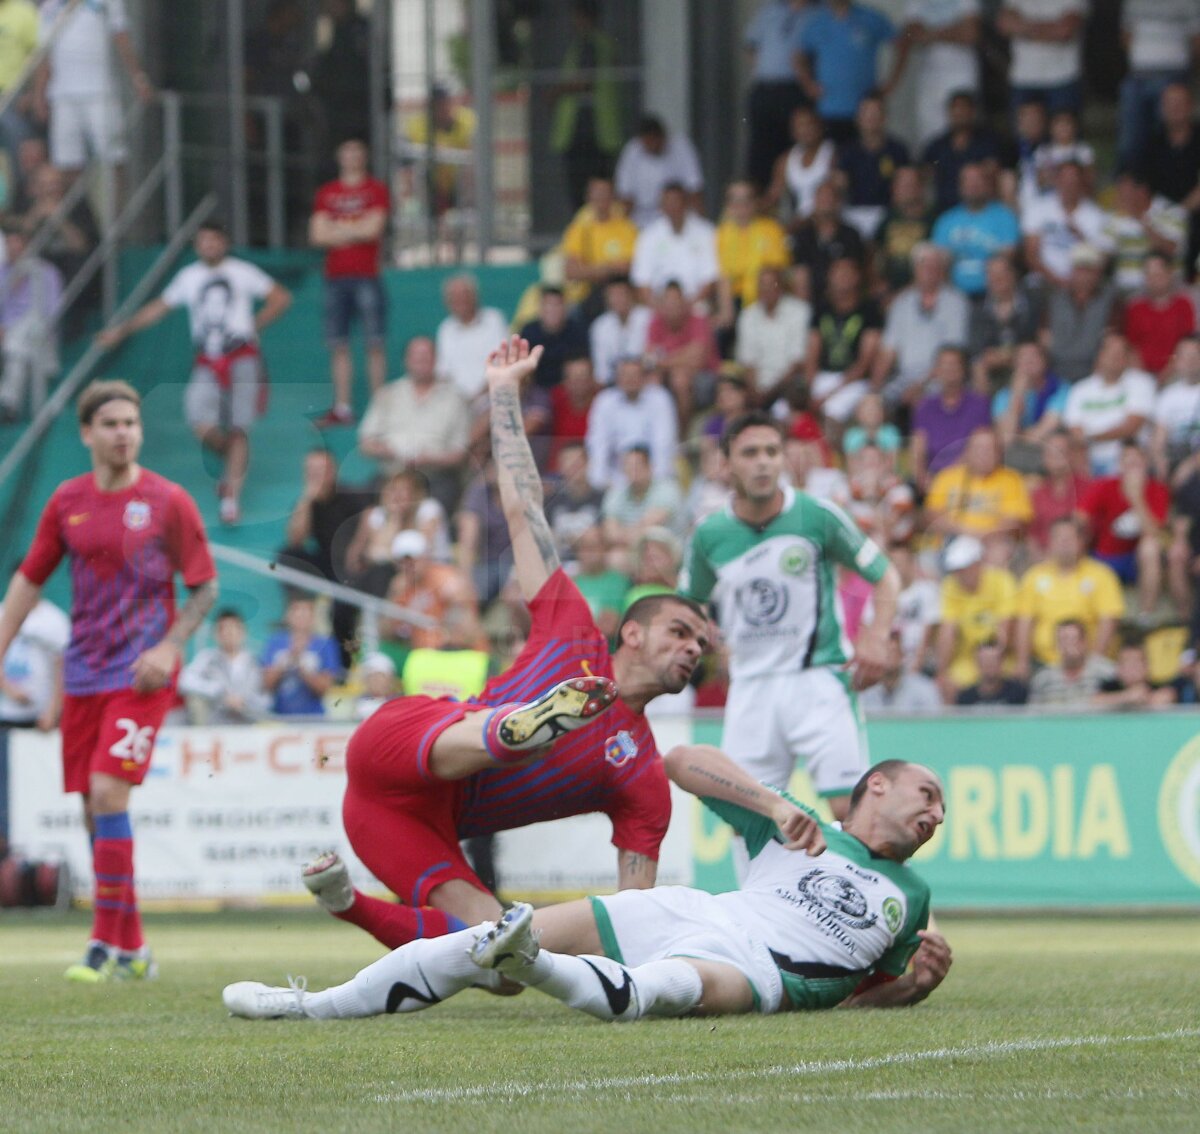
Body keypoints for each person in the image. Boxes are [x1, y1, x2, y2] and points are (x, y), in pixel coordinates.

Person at [296, 335, 711, 952]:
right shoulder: (572, 622)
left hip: (400, 823)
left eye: (701, 643)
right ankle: (515, 728)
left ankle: (345, 902)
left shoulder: (643, 778)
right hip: (405, 742)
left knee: (498, 953)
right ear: (631, 632)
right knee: (478, 732)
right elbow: (523, 509)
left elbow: (633, 915)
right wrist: (503, 394)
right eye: (680, 631)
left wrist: (654, 967)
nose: (693, 648)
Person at [224, 749, 951, 1020]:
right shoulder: (797, 829)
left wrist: (912, 988)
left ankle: (532, 961)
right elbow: (682, 762)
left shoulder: (912, 896)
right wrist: (772, 804)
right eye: (926, 793)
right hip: (692, 908)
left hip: (760, 970)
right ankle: (309, 1004)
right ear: (876, 786)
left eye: (942, 807)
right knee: (479, 942)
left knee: (660, 991)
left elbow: (862, 998)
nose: (935, 812)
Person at [0, 379, 217, 980]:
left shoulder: (168, 500)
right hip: (85, 672)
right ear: (87, 433)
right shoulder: (66, 500)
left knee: (107, 794)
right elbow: (28, 580)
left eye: (131, 423)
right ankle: (135, 946)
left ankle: (101, 945)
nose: (124, 433)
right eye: (112, 424)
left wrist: (171, 647)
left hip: (141, 675)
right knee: (93, 812)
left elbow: (206, 586)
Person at [680, 412, 899, 820]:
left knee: (850, 811)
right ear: (726, 464)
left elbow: (886, 577)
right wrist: (709, 640)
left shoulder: (817, 515)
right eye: (749, 453)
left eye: (771, 451)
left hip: (818, 681)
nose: (763, 462)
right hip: (749, 688)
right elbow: (688, 605)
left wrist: (876, 635)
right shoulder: (709, 534)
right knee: (746, 820)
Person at [96, 221, 293, 525]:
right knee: (200, 422)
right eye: (203, 241)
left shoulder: (242, 271)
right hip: (207, 361)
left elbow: (281, 297)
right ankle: (232, 463)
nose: (209, 246)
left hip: (242, 357)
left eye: (214, 240)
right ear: (197, 245)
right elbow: (159, 308)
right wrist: (122, 331)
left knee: (240, 428)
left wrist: (256, 324)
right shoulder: (189, 277)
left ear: (224, 242)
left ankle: (231, 499)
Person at [308, 138, 390, 427]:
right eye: (347, 150)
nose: (352, 156)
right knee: (338, 344)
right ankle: (343, 408)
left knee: (374, 342)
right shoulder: (326, 192)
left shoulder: (376, 189)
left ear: (365, 155)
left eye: (358, 150)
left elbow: (374, 229)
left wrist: (337, 227)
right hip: (335, 277)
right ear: (339, 155)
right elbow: (317, 235)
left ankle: (380, 408)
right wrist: (356, 226)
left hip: (367, 274)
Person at [33, 0, 154, 179]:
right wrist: (39, 94)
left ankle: (117, 207)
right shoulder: (49, 5)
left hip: (100, 92)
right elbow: (45, 52)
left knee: (114, 157)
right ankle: (81, 208)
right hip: (62, 94)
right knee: (67, 162)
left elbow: (120, 35)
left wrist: (138, 77)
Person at [356, 336, 469, 515]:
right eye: (416, 356)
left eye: (426, 355)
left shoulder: (454, 398)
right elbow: (365, 443)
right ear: (406, 360)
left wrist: (429, 458)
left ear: (436, 359)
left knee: (441, 506)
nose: (421, 360)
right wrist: (390, 451)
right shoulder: (388, 394)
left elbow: (460, 453)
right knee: (361, 504)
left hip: (434, 477)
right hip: (391, 475)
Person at [1015, 518, 1124, 680]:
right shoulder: (1034, 576)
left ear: (1081, 541)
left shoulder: (1101, 575)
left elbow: (1108, 620)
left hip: (1088, 662)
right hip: (1043, 663)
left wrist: (1094, 662)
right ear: (1050, 542)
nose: (1064, 543)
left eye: (1069, 538)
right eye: (1058, 538)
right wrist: (1022, 661)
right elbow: (1024, 621)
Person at [1076, 441, 1170, 620]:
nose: (1132, 469)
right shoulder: (1104, 486)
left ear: (1146, 464)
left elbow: (1156, 533)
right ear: (1120, 465)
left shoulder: (1158, 490)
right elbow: (1079, 519)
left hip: (1136, 561)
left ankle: (1145, 614)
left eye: (1137, 463)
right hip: (1105, 555)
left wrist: (1136, 498)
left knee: (1150, 546)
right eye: (1128, 463)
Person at [872, 244, 969, 410]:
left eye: (935, 266)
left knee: (924, 400)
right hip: (904, 377)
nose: (930, 270)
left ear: (942, 271)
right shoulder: (901, 303)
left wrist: (920, 386)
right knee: (876, 405)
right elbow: (887, 352)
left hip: (941, 377)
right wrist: (873, 390)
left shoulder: (956, 302)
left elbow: (952, 355)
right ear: (915, 269)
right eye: (925, 265)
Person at [548, 1, 623, 209]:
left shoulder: (592, 43)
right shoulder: (596, 43)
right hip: (594, 131)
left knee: (587, 190)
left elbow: (585, 81)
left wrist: (556, 91)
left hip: (589, 131)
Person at [794, 0, 895, 144]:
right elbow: (798, 57)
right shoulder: (817, 22)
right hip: (828, 108)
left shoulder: (870, 18)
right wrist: (808, 84)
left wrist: (892, 81)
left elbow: (901, 42)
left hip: (863, 111)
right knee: (832, 159)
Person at [1116, 1, 1200, 174]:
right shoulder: (1134, 2)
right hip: (1138, 74)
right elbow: (1126, 35)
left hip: (1173, 74)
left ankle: (1165, 178)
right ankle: (1130, 180)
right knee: (1131, 138)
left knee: (1165, 136)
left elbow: (1196, 40)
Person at [887, 0, 981, 150]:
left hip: (961, 74)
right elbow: (910, 33)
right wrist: (951, 30)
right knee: (929, 140)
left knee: (963, 133)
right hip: (929, 78)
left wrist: (929, 34)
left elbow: (970, 33)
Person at [934, 534, 1018, 700]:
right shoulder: (951, 585)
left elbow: (1005, 628)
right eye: (956, 570)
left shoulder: (1002, 581)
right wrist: (942, 672)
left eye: (963, 568)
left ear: (977, 564)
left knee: (1007, 679)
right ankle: (954, 726)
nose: (959, 574)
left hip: (999, 657)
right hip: (968, 660)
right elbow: (947, 631)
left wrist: (990, 664)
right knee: (948, 684)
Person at [742, 0, 813, 193]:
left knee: (796, 151)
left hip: (796, 89)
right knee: (761, 153)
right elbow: (751, 45)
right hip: (766, 88)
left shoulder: (818, 11)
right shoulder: (770, 9)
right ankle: (759, 209)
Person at [1063, 331, 1156, 477]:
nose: (1115, 357)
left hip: (1126, 460)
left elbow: (1131, 426)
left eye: (1120, 352)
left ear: (1127, 357)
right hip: (1088, 459)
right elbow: (1075, 430)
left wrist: (1090, 438)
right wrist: (1085, 445)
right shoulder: (1080, 389)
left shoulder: (1142, 382)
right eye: (1110, 351)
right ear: (1099, 355)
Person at [923, 423, 1031, 545]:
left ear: (999, 453)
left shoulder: (1012, 480)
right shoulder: (946, 477)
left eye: (989, 449)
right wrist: (966, 533)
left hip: (993, 547)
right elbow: (932, 516)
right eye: (979, 448)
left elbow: (1015, 522)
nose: (984, 454)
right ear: (967, 451)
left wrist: (981, 536)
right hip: (948, 544)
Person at [0, 221, 62, 424]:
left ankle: (9, 403)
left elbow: (51, 312)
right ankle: (9, 402)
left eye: (17, 243)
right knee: (15, 343)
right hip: (8, 331)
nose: (12, 249)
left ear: (28, 246)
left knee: (19, 339)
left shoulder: (46, 272)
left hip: (37, 332)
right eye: (8, 244)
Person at [585, 356, 678, 490]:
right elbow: (598, 443)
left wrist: (654, 481)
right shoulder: (604, 401)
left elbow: (663, 444)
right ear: (617, 378)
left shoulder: (660, 398)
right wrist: (599, 480)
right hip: (615, 477)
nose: (630, 380)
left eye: (635, 375)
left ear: (644, 377)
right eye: (624, 375)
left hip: (652, 475)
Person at [931, 163, 1019, 300]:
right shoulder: (946, 221)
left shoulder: (1005, 216)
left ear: (988, 184)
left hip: (993, 295)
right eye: (968, 180)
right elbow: (940, 264)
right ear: (960, 186)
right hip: (955, 295)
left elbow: (1008, 258)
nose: (973, 185)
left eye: (978, 180)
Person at [908, 349, 993, 492]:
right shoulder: (925, 406)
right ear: (936, 370)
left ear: (964, 370)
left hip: (968, 476)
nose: (949, 369)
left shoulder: (978, 404)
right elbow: (917, 446)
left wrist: (945, 480)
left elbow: (977, 448)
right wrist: (921, 477)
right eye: (944, 365)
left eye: (954, 364)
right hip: (930, 478)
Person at [834, 92, 910, 240]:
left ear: (884, 117)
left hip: (888, 213)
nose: (871, 118)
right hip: (854, 213)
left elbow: (904, 186)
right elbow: (839, 187)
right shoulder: (847, 151)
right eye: (867, 113)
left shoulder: (898, 150)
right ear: (858, 118)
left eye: (876, 113)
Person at [630, 182, 718, 307]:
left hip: (695, 305)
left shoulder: (706, 232)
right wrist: (661, 308)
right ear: (661, 206)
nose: (672, 207)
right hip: (658, 307)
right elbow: (642, 282)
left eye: (676, 201)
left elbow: (710, 280)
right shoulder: (648, 235)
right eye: (667, 202)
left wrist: (685, 308)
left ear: (686, 203)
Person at [735, 266, 811, 407]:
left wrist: (769, 393)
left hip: (788, 383)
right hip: (758, 388)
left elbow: (797, 362)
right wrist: (755, 391)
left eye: (772, 284)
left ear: (781, 287)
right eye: (762, 285)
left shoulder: (800, 311)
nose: (767, 290)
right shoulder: (748, 315)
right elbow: (748, 361)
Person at [1043, 242, 1118, 385]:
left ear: (1098, 272)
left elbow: (1111, 340)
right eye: (1079, 268)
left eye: (1089, 269)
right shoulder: (1055, 299)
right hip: (1056, 372)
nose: (1083, 275)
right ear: (1072, 270)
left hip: (1094, 372)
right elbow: (1044, 339)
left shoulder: (1111, 300)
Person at [919, 90, 1004, 216]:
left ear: (973, 112)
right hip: (943, 208)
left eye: (964, 108)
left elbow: (993, 174)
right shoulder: (936, 146)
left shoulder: (988, 142)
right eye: (955, 108)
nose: (959, 113)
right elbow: (925, 177)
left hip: (979, 205)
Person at [561, 177, 639, 315]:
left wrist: (590, 269)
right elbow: (571, 271)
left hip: (621, 295)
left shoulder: (627, 228)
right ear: (589, 198)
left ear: (613, 197)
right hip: (587, 298)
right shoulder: (579, 229)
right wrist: (609, 268)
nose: (601, 198)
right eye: (597, 194)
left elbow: (629, 267)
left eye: (605, 193)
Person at [178, 608, 269, 725]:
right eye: (223, 629)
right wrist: (219, 693)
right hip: (215, 723)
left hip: (249, 723)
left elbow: (266, 698)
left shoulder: (256, 662)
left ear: (243, 632)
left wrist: (244, 701)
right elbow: (184, 680)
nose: (229, 634)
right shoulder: (207, 658)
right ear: (216, 634)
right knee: (195, 701)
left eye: (233, 629)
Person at [996, 1, 1086, 120]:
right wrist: (1050, 29)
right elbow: (1004, 24)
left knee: (1064, 136)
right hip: (1023, 78)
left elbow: (1065, 31)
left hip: (1063, 77)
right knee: (1025, 137)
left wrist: (1023, 28)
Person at [613, 116, 703, 230]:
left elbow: (694, 190)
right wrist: (622, 228)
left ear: (663, 137)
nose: (653, 146)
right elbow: (625, 196)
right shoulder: (632, 151)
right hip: (641, 220)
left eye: (655, 141)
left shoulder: (681, 147)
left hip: (676, 217)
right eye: (648, 142)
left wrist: (700, 224)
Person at [261, 595, 343, 718]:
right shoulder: (275, 641)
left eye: (305, 614)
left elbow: (324, 689)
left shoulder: (325, 644)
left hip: (314, 718)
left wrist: (302, 667)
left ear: (312, 618)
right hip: (279, 717)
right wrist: (288, 658)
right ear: (289, 616)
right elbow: (266, 685)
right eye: (296, 613)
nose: (300, 619)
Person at [0, 584, 67, 732]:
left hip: (40, 718)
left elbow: (63, 666)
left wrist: (53, 711)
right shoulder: (2, 614)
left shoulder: (54, 619)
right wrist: (7, 688)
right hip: (5, 714)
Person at [434, 274, 509, 403]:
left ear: (476, 295)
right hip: (456, 402)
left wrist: (477, 398)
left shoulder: (494, 320)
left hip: (492, 397)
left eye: (465, 294)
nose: (460, 300)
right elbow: (443, 374)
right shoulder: (445, 329)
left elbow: (503, 365)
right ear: (447, 301)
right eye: (454, 296)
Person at [1122, 251, 1195, 379]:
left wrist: (1167, 374)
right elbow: (1131, 347)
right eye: (1150, 275)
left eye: (1158, 275)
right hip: (1140, 374)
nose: (1154, 280)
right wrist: (1143, 377)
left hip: (1177, 373)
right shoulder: (1135, 307)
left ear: (1170, 274)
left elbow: (1187, 345)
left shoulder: (1184, 305)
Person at [764, 105, 836, 228]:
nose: (805, 130)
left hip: (827, 220)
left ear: (820, 126)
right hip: (799, 222)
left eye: (809, 124)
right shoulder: (786, 159)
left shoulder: (832, 154)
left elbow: (832, 197)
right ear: (793, 131)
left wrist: (800, 223)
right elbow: (773, 197)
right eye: (799, 126)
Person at [1028, 618, 1116, 707]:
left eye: (1074, 639)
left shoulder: (1107, 673)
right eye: (1063, 640)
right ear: (1056, 645)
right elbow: (1033, 714)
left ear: (1085, 642)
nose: (1069, 646)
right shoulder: (1043, 678)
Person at [519, 286, 589, 390]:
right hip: (536, 389)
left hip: (569, 389)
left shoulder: (577, 331)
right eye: (548, 305)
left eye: (557, 305)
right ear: (540, 308)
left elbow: (582, 364)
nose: (553, 310)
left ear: (566, 308)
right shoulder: (528, 331)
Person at [588, 276, 652, 386]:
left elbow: (652, 358)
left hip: (645, 381)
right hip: (612, 385)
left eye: (621, 294)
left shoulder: (648, 318)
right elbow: (601, 370)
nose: (618, 299)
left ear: (631, 295)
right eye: (613, 295)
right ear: (607, 298)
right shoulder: (599, 326)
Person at [858, 633, 943, 714]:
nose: (888, 656)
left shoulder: (924, 688)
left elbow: (935, 724)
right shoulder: (866, 690)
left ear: (902, 655)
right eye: (884, 651)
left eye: (892, 652)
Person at [1092, 638, 1181, 711]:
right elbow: (1094, 701)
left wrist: (1146, 699)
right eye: (1127, 663)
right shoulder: (1109, 687)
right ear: (1119, 669)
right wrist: (1127, 696)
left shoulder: (1156, 686)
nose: (1132, 668)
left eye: (1137, 662)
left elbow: (1168, 695)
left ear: (1147, 667)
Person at [955, 638, 1028, 707]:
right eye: (985, 661)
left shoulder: (1018, 693)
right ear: (977, 664)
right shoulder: (965, 698)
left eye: (993, 661)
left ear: (1002, 663)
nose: (989, 665)